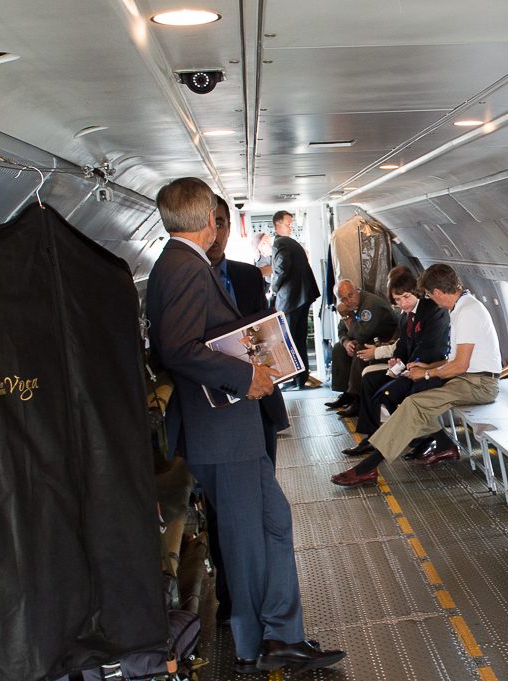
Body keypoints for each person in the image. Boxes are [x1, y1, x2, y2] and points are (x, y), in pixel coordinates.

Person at [145, 178, 344, 673]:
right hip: (222, 432)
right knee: (245, 539)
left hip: (229, 432)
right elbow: (178, 349)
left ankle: (282, 632)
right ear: (209, 222)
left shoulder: (177, 266)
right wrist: (245, 373)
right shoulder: (184, 269)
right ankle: (256, 645)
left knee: (273, 521)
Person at [331, 264, 501, 487]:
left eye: (430, 294)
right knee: (413, 403)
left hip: (479, 384)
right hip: (469, 378)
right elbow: (453, 361)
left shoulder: (467, 312)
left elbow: (460, 365)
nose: (431, 300)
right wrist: (426, 369)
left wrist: (428, 373)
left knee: (414, 403)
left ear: (438, 292)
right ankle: (434, 444)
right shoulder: (462, 308)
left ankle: (367, 468)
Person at [204, 197, 292, 625]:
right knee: (225, 515)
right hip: (218, 419)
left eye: (223, 224)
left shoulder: (244, 275)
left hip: (258, 409)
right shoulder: (189, 279)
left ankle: (264, 607)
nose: (217, 233)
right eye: (211, 224)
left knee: (264, 511)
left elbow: (264, 331)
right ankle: (231, 599)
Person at [344, 268, 450, 456]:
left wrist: (405, 367)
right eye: (398, 300)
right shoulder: (404, 316)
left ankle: (420, 439)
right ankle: (372, 436)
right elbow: (403, 345)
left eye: (406, 297)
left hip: (430, 368)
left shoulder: (432, 311)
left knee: (387, 394)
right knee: (369, 381)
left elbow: (429, 348)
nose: (403, 304)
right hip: (409, 367)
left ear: (416, 292)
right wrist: (396, 361)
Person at [325, 279, 398, 412]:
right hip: (368, 339)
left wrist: (346, 316)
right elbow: (341, 330)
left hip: (385, 343)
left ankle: (357, 398)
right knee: (339, 348)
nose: (349, 301)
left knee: (360, 350)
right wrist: (346, 342)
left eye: (351, 295)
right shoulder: (350, 306)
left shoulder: (369, 304)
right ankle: (346, 393)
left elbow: (360, 335)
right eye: (344, 299)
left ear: (356, 290)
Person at [270, 211, 319, 389]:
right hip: (302, 297)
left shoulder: (280, 243)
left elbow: (281, 268)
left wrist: (273, 289)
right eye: (288, 224)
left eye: (291, 224)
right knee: (299, 339)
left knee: (289, 341)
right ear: (277, 225)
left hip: (291, 299)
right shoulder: (289, 243)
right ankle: (300, 377)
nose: (291, 227)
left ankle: (293, 379)